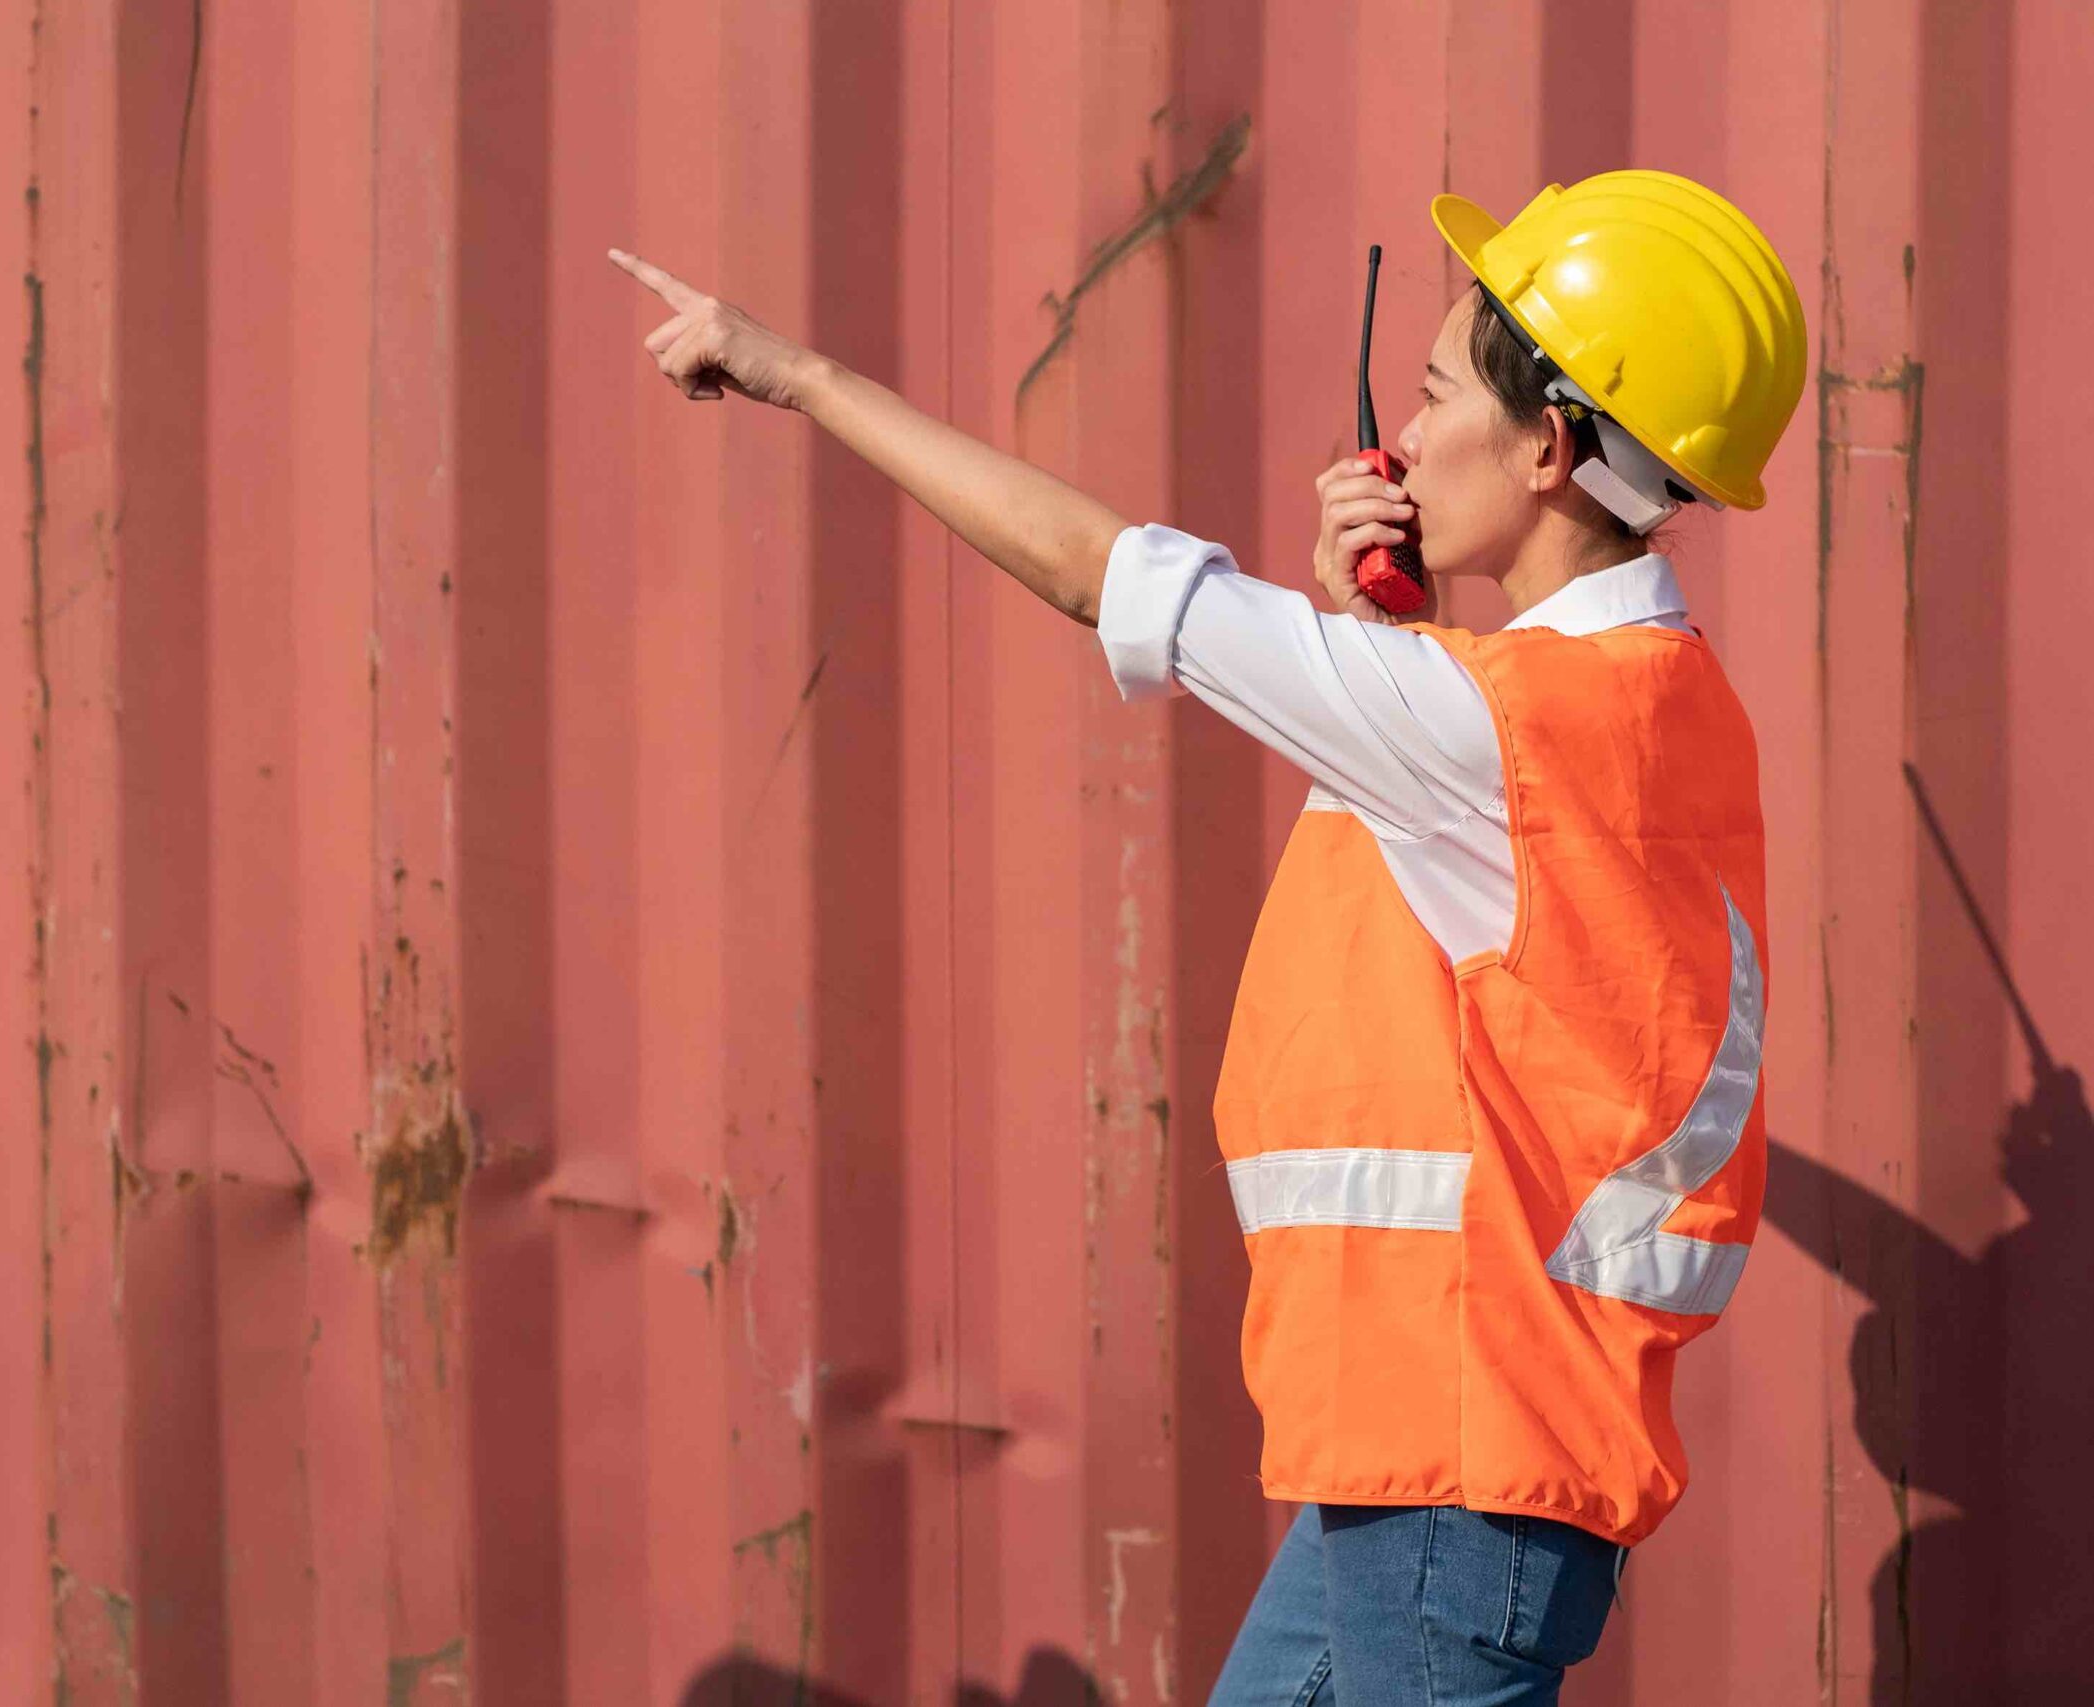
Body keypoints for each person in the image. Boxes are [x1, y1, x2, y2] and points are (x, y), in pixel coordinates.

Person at [611, 168, 1806, 1706]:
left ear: (1553, 443)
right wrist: (1378, 633)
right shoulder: (1652, 698)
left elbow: (1097, 575)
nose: (1401, 438)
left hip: (1461, 1472)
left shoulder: (1496, 727)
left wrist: (801, 374)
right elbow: (1523, 985)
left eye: (1435, 394)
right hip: (1443, 1466)